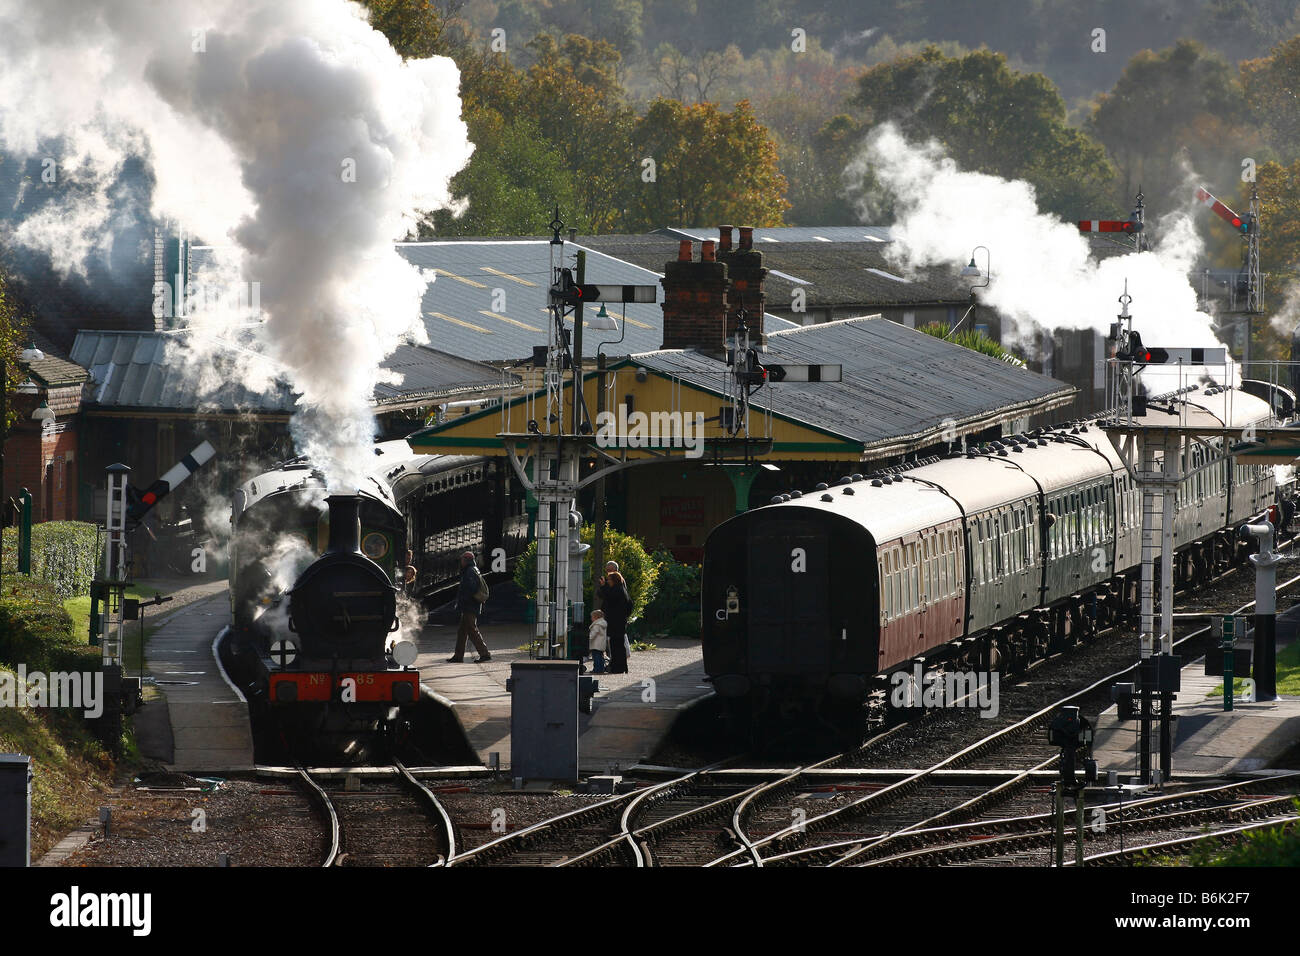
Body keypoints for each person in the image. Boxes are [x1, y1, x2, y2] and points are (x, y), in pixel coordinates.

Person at [448, 551, 492, 663]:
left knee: (472, 630)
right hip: (470, 605)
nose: (461, 562)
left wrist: (462, 602)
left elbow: (470, 589)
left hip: (470, 606)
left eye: (462, 560)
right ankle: (458, 656)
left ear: (466, 560)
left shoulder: (470, 571)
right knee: (462, 631)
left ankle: (484, 653)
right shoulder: (472, 570)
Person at [597, 569, 631, 673]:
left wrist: (603, 586)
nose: (608, 581)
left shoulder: (617, 590)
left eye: (609, 580)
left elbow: (608, 597)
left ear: (614, 580)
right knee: (617, 644)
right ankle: (620, 666)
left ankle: (618, 667)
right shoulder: (620, 589)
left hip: (616, 621)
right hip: (619, 621)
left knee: (616, 645)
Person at [587, 609, 608, 674]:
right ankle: (601, 669)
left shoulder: (597, 625)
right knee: (600, 657)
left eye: (592, 617)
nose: (591, 619)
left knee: (596, 658)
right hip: (601, 644)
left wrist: (589, 638)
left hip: (596, 644)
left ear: (596, 617)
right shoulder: (602, 624)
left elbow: (594, 633)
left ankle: (597, 669)